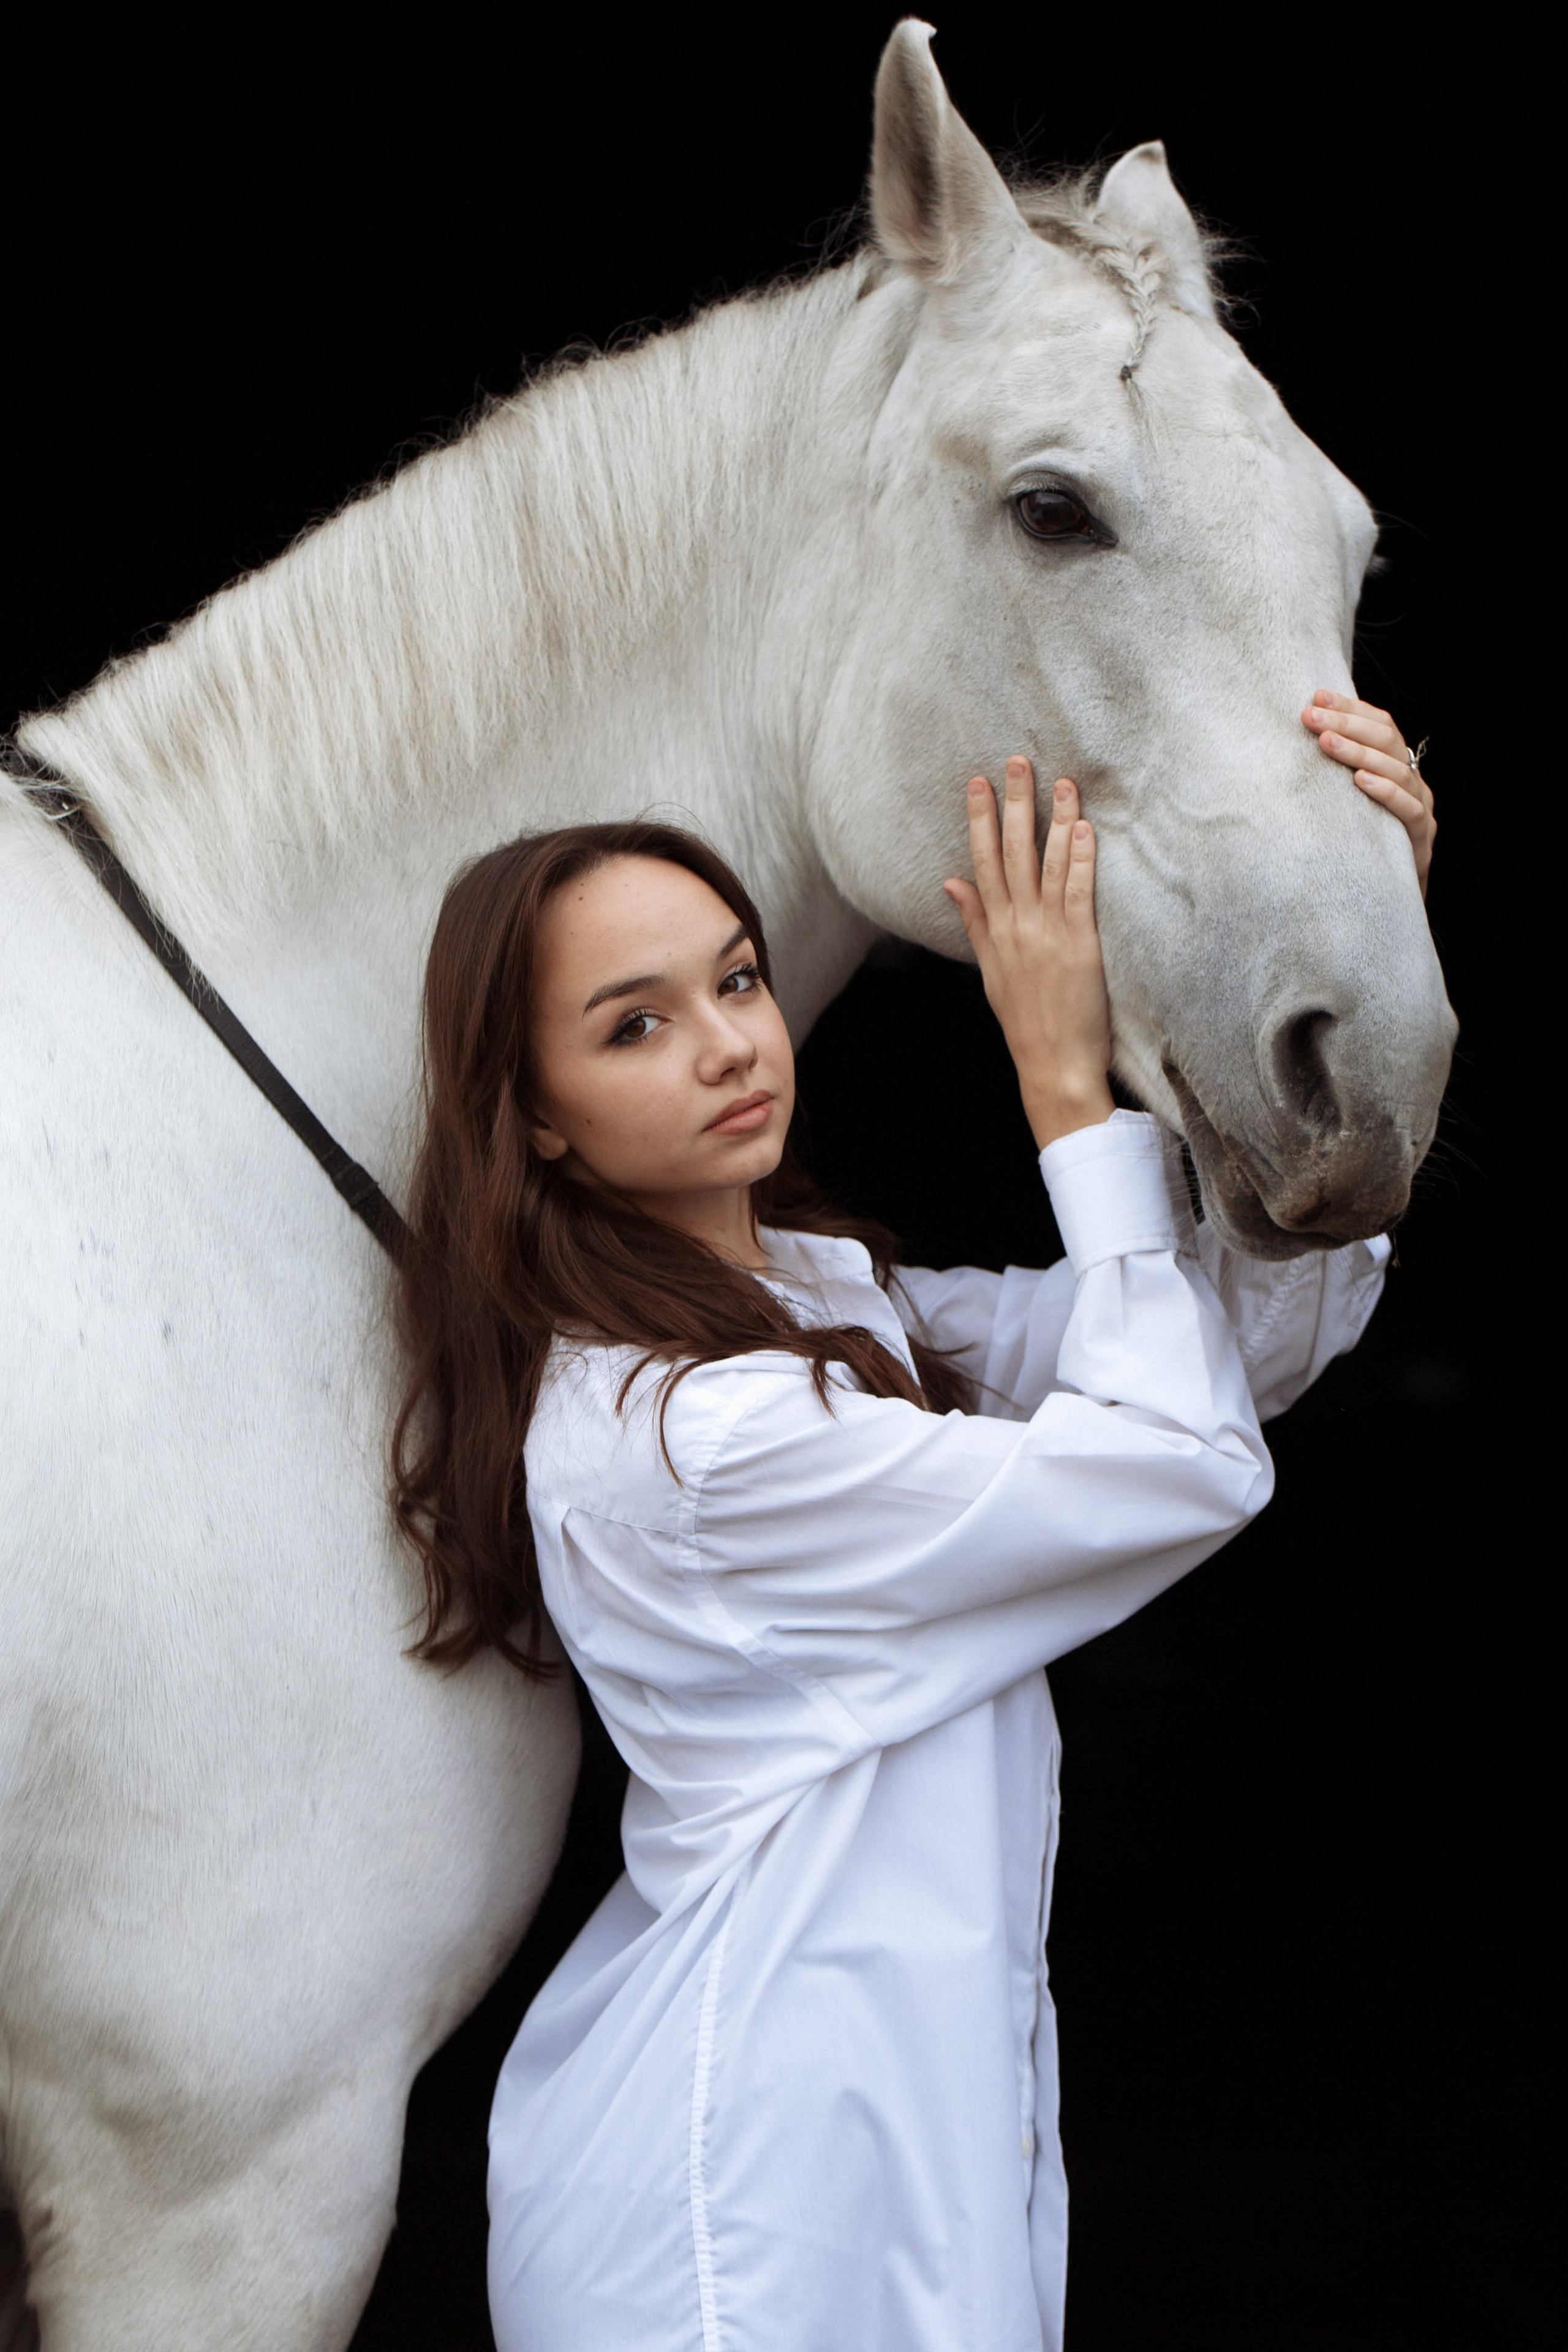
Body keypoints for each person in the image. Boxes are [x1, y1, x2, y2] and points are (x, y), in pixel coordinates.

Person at [391, 693, 1436, 2352]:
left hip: (910, 2115)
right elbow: (1178, 1460)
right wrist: (1061, 1083)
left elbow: (1227, 1354)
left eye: (736, 978)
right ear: (532, 1111)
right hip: (750, 2180)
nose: (733, 1041)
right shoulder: (690, 1440)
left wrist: (1362, 909)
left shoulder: (837, 1313)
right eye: (635, 1026)